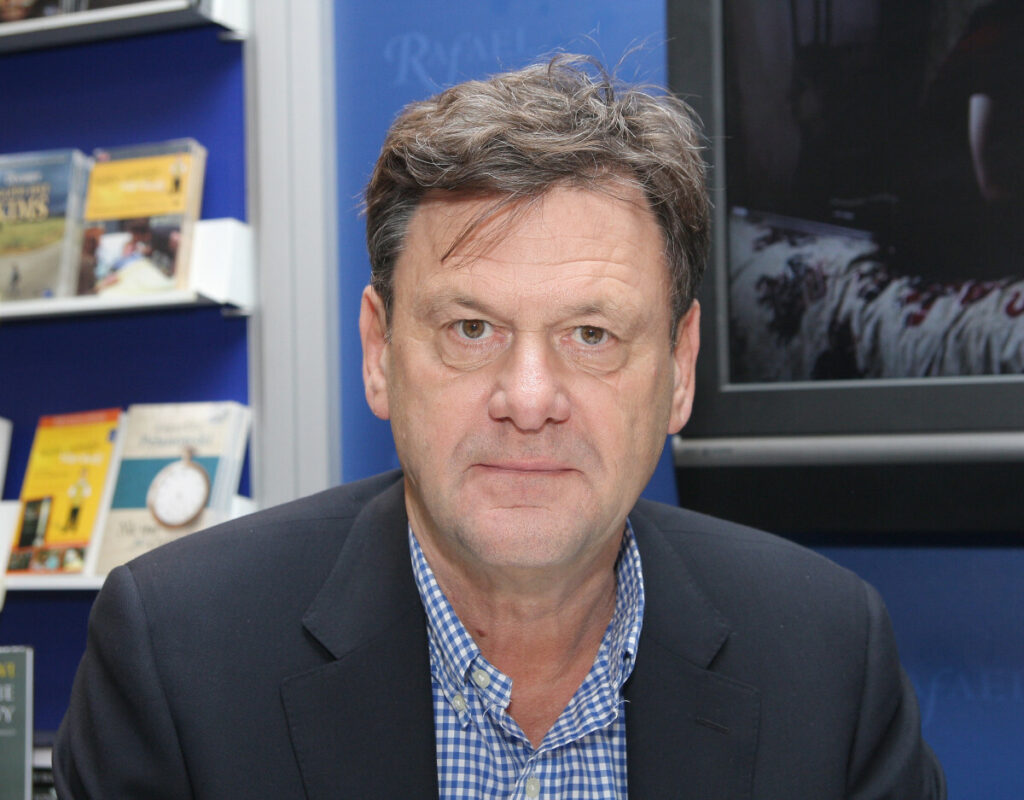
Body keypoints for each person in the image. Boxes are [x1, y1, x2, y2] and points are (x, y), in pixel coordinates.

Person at [54, 55, 945, 798]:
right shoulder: (177, 657)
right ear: (379, 353)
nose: (528, 397)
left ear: (680, 369)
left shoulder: (828, 659)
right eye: (471, 329)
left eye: (591, 335)